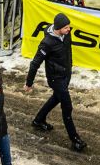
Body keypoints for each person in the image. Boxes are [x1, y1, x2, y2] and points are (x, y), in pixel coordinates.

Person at [25, 13, 86, 151]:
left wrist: (69, 67)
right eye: (66, 27)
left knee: (56, 98)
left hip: (66, 74)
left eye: (69, 26)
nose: (69, 29)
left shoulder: (67, 34)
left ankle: (38, 120)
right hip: (55, 78)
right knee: (67, 108)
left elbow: (68, 51)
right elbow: (35, 63)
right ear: (58, 28)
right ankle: (75, 140)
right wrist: (29, 83)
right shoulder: (47, 43)